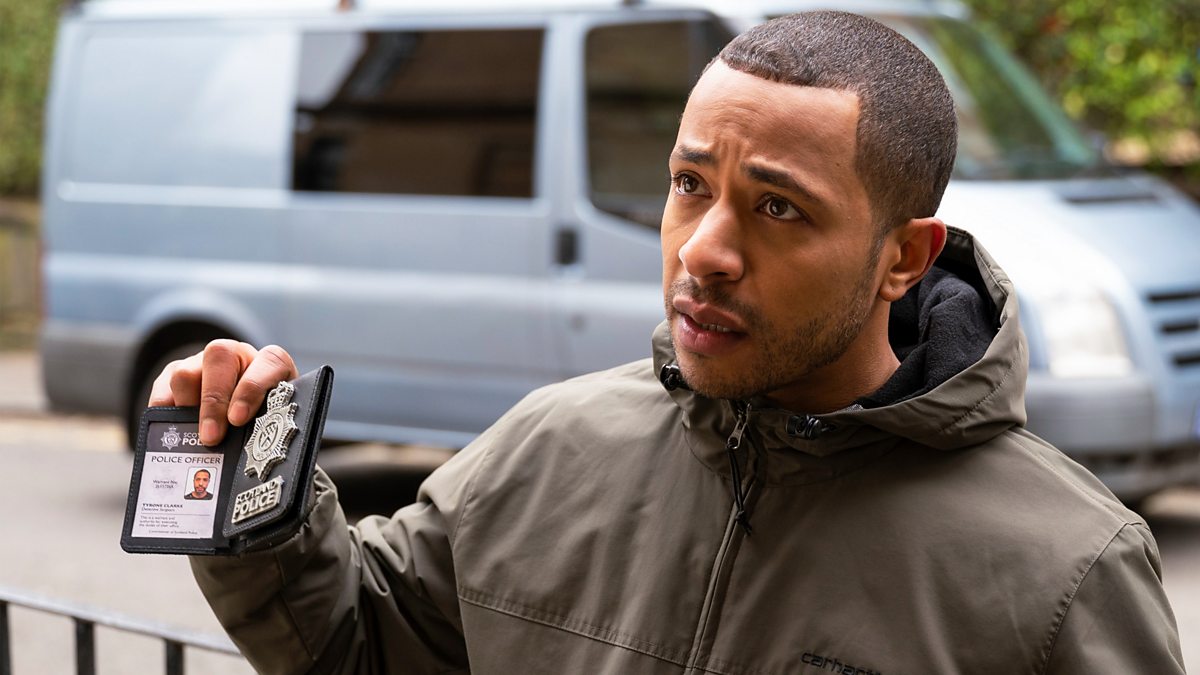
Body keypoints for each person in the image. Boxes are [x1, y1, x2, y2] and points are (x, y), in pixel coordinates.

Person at [152, 11, 1184, 674]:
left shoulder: (1065, 571)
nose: (704, 251)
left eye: (777, 207)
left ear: (902, 258)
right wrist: (248, 485)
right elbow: (363, 640)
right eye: (691, 184)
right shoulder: (550, 446)